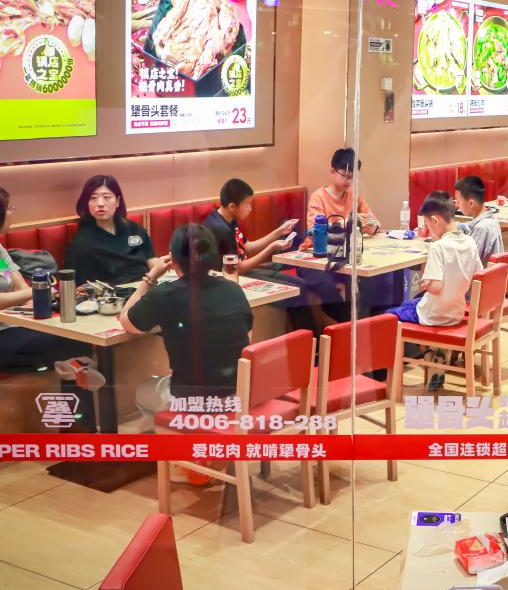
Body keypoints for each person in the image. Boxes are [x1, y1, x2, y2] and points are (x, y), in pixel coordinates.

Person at [121, 224, 252, 432]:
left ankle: (176, 443)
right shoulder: (234, 289)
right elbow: (247, 341)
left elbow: (126, 321)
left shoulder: (165, 294)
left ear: (173, 259)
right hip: (239, 395)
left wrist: (150, 277)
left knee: (144, 390)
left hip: (191, 401)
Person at [203, 178, 334, 330]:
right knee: (296, 293)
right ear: (232, 206)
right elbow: (239, 268)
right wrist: (272, 247)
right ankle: (309, 339)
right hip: (233, 280)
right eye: (247, 204)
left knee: (301, 286)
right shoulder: (220, 229)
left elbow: (247, 247)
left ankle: (310, 338)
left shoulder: (226, 217)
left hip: (246, 272)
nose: (250, 209)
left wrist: (279, 232)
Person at [0, 187, 89, 372]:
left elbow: (20, 287)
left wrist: (45, 294)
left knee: (79, 338)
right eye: (9, 208)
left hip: (14, 324)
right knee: (61, 344)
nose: (12, 212)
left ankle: (81, 386)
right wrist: (39, 290)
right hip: (4, 332)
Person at [387, 191, 481, 327]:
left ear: (435, 221)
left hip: (433, 316)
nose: (428, 229)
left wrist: (427, 283)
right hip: (456, 314)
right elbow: (478, 276)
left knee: (388, 314)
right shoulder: (470, 242)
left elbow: (436, 287)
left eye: (427, 224)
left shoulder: (437, 247)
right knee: (408, 303)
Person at [65, 175, 163, 285]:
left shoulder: (135, 230)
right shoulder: (81, 244)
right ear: (87, 203)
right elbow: (80, 286)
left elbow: (152, 262)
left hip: (148, 285)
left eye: (106, 197)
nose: (100, 203)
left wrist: (164, 267)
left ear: (117, 201)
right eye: (93, 198)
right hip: (114, 293)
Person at [305, 148, 379, 236]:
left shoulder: (354, 196)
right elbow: (315, 231)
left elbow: (375, 222)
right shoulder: (318, 197)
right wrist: (345, 223)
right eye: (345, 175)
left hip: (346, 243)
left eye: (351, 177)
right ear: (332, 171)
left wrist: (371, 225)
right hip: (320, 244)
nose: (348, 181)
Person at [454, 175, 503, 266]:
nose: (456, 205)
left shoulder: (481, 228)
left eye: (458, 201)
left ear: (471, 203)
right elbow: (468, 226)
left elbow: (467, 263)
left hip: (481, 274)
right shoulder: (491, 220)